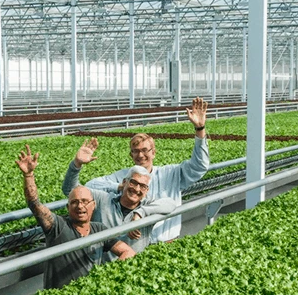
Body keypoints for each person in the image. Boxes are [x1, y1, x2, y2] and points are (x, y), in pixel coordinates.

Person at [85, 97, 209, 243]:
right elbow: (90, 186)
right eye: (135, 151)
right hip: (134, 247)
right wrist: (119, 186)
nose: (141, 155)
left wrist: (200, 129)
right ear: (131, 155)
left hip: (168, 241)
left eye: (145, 150)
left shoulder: (171, 173)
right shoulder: (124, 176)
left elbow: (200, 166)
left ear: (153, 152)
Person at [16, 144, 135, 290]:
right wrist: (28, 175)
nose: (80, 206)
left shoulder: (98, 229)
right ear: (68, 207)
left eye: (85, 202)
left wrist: (107, 278)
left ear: (94, 205)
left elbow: (127, 251)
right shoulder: (58, 226)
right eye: (74, 202)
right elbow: (35, 205)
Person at [62, 138, 176, 256]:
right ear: (124, 182)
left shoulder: (147, 206)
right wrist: (76, 164)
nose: (137, 189)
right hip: (100, 267)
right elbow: (71, 190)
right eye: (133, 182)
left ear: (146, 190)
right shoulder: (103, 200)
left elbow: (171, 204)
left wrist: (140, 214)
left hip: (133, 269)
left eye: (142, 186)